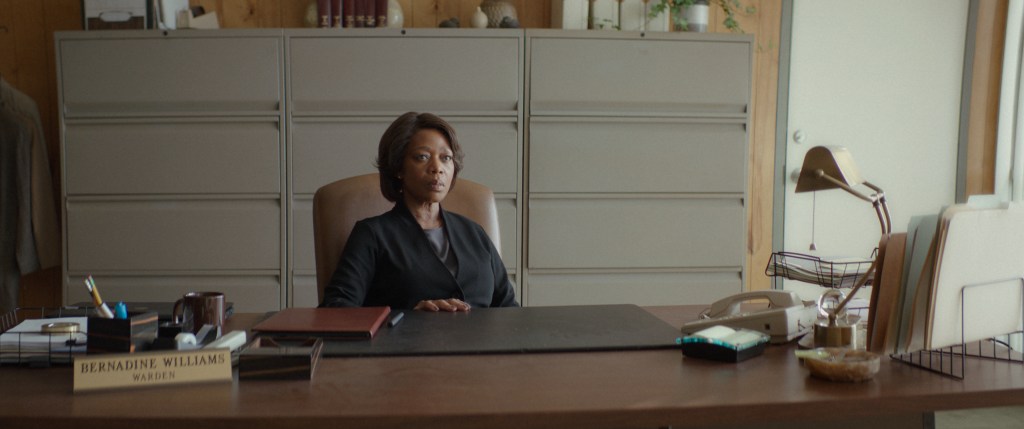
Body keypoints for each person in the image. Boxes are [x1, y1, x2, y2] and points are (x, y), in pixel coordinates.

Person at [321, 112, 519, 311]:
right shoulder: (372, 235)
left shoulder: (474, 232)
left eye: (446, 158)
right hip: (406, 342)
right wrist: (409, 318)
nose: (437, 168)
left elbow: (510, 311)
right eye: (422, 157)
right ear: (398, 167)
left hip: (483, 342)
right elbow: (335, 310)